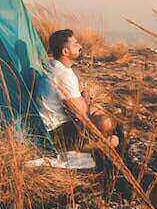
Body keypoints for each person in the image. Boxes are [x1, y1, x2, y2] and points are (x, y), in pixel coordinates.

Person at [36, 29, 126, 164]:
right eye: (75, 44)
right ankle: (97, 147)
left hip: (47, 127)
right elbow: (80, 114)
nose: (80, 47)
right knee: (107, 124)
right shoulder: (65, 75)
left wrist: (86, 102)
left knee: (99, 113)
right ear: (65, 52)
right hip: (56, 134)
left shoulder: (52, 66)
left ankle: (96, 144)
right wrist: (86, 99)